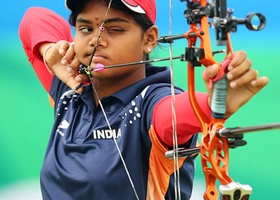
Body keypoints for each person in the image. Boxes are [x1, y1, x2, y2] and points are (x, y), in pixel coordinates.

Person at [19, 0, 268, 199]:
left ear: (149, 39)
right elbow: (34, 17)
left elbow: (176, 114)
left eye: (115, 29)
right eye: (86, 29)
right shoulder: (69, 87)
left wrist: (216, 102)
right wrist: (51, 51)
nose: (96, 40)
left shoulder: (151, 103)